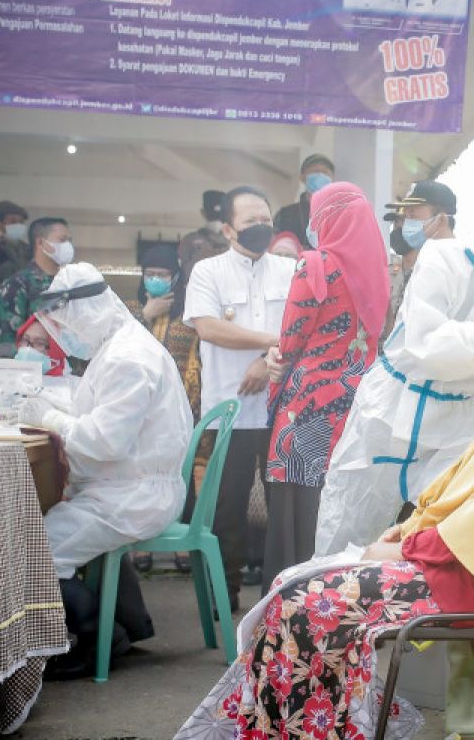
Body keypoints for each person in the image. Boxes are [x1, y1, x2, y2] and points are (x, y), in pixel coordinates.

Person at [177, 280, 474, 739]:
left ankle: (307, 729)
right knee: (290, 588)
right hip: (464, 563)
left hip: (471, 576)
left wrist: (413, 547)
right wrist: (408, 535)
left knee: (304, 604)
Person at [314, 189, 474, 557]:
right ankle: (329, 607)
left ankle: (417, 611)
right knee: (344, 528)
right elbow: (424, 345)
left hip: (459, 420)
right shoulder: (446, 258)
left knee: (449, 537)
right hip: (391, 406)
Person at [16, 263, 191, 677]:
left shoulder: (127, 358)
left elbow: (105, 442)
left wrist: (50, 418)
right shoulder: (117, 347)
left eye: (64, 323)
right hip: (127, 487)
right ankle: (125, 625)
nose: (63, 334)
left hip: (132, 495)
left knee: (34, 549)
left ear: (87, 312)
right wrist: (51, 409)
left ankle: (100, 637)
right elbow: (96, 417)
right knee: (47, 535)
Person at [260, 182, 390, 590]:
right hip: (354, 402)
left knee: (295, 509)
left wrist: (274, 364)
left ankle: (290, 606)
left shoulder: (315, 265)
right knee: (335, 504)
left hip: (307, 402)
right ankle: (337, 604)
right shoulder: (377, 271)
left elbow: (291, 338)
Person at [185, 186, 295, 612]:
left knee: (281, 506)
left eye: (265, 219)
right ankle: (222, 595)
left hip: (279, 409)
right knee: (225, 507)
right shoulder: (208, 272)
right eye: (251, 221)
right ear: (229, 229)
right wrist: (269, 344)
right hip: (227, 410)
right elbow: (208, 328)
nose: (261, 227)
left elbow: (300, 329)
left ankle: (278, 599)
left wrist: (264, 363)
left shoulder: (288, 270)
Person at [124, 242, 208, 574]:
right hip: (137, 409)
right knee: (139, 476)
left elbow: (196, 363)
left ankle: (182, 548)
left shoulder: (189, 316)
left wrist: (188, 406)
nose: (155, 279)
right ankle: (139, 545)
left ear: (175, 278)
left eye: (162, 274)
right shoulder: (130, 310)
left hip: (179, 410)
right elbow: (119, 348)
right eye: (150, 274)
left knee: (179, 475)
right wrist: (146, 315)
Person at [381, 179, 457, 338]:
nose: (405, 225)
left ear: (441, 219)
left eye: (412, 215)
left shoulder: (458, 267)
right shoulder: (427, 264)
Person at [0, 217, 72, 358]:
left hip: (71, 374)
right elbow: (9, 343)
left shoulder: (70, 284)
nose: (68, 246)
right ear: (41, 242)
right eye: (62, 240)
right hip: (34, 373)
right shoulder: (17, 284)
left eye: (69, 241)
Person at [275, 153, 335, 248]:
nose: (320, 175)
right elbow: (276, 245)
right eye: (315, 171)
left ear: (332, 179)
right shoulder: (285, 214)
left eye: (325, 172)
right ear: (302, 178)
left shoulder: (339, 214)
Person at [178, 189, 230, 278]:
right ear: (203, 212)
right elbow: (184, 272)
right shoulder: (190, 240)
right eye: (212, 215)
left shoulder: (234, 240)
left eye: (219, 216)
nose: (216, 220)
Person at [0, 200, 31, 282]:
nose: (18, 225)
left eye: (21, 222)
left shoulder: (29, 250)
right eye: (13, 221)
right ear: (0, 225)